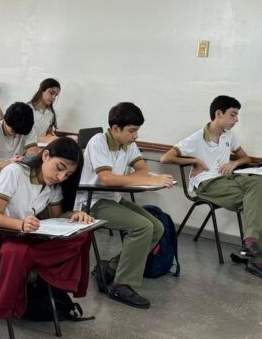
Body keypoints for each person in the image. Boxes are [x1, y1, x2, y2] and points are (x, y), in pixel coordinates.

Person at [0, 137, 94, 318]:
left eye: (68, 175)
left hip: (23, 236)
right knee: (17, 251)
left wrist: (74, 215)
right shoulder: (14, 172)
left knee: (82, 234)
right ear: (46, 155)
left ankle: (31, 262)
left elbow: (55, 217)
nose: (61, 177)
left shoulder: (53, 185)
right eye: (60, 168)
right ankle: (18, 293)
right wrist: (21, 224)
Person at [77, 102, 172, 309]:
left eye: (137, 130)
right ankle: (121, 285)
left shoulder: (127, 143)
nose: (136, 136)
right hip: (91, 201)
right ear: (115, 129)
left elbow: (142, 170)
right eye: (132, 130)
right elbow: (106, 179)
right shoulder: (98, 141)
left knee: (157, 227)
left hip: (113, 197)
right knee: (142, 227)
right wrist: (149, 180)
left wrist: (141, 178)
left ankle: (111, 269)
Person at [160, 95, 262, 278]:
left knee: (258, 184)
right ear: (218, 113)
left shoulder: (229, 135)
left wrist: (234, 163)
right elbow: (165, 158)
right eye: (233, 115)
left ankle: (250, 246)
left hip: (228, 179)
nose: (236, 120)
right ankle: (254, 257)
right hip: (207, 183)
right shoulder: (197, 138)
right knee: (256, 201)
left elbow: (245, 157)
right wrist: (194, 160)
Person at [28, 78, 61, 143]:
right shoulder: (27, 109)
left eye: (56, 95)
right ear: (42, 90)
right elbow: (24, 137)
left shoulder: (52, 113)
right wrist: (47, 139)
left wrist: (51, 137)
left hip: (41, 147)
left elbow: (48, 132)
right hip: (25, 147)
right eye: (51, 93)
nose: (54, 97)